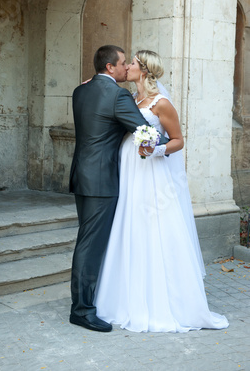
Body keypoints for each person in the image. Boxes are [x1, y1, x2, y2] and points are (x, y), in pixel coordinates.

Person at [94, 50, 229, 332]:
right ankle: (126, 298)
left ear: (142, 70)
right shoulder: (131, 99)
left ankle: (162, 301)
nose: (127, 66)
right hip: (130, 170)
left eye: (131, 63)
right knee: (130, 226)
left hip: (151, 172)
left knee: (153, 227)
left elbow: (178, 140)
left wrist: (155, 149)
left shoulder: (161, 103)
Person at [69, 45, 169, 332]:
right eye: (123, 63)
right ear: (110, 68)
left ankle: (87, 301)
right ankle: (82, 310)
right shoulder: (118, 95)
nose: (127, 68)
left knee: (86, 241)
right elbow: (143, 130)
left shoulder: (80, 90)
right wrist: (168, 147)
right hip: (102, 181)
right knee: (90, 245)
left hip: (82, 176)